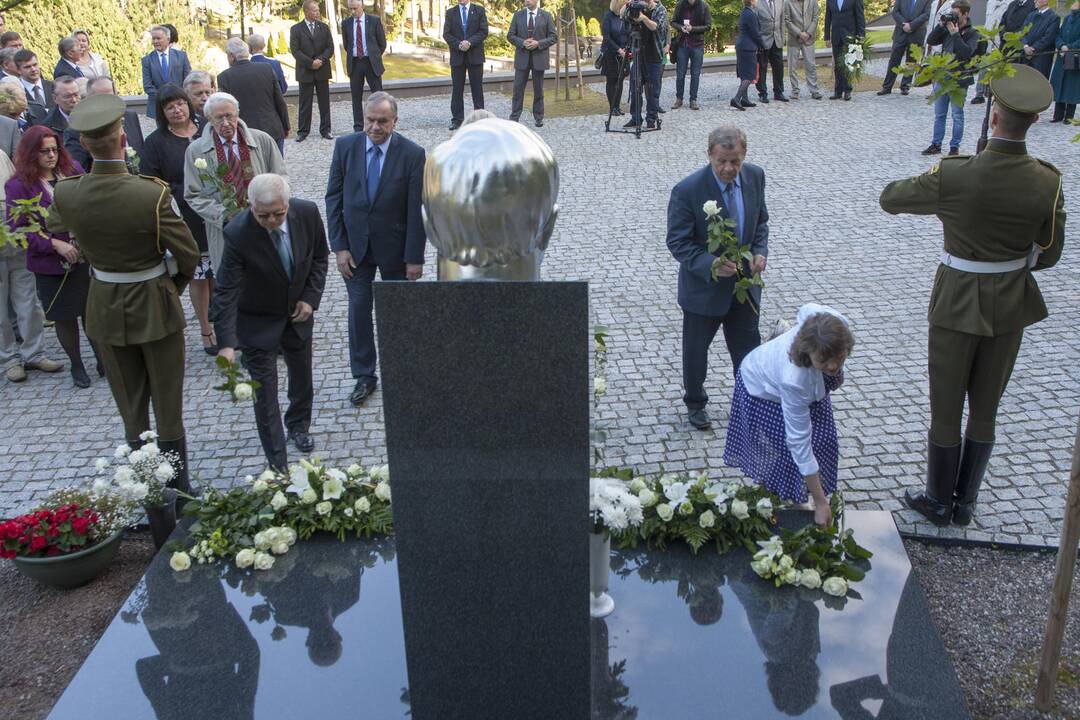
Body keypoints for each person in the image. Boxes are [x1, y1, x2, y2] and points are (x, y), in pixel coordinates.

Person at [879, 64, 1065, 527]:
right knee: (986, 407)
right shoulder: (1048, 180)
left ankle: (938, 500)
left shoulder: (956, 175)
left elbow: (891, 198)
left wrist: (938, 179)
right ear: (1035, 121)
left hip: (958, 300)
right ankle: (965, 504)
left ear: (993, 115)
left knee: (946, 405)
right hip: (1011, 303)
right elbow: (1049, 254)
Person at [48, 92, 200, 495]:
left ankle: (147, 491)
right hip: (155, 304)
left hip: (104, 306)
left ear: (83, 143)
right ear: (121, 138)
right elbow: (187, 255)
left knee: (131, 409)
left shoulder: (67, 192)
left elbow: (55, 227)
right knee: (168, 405)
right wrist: (170, 287)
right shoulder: (150, 193)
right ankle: (177, 493)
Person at [213, 174, 328, 470]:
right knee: (264, 394)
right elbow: (226, 289)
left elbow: (318, 258)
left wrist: (310, 298)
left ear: (288, 204)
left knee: (301, 375)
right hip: (258, 319)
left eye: (279, 213)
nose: (272, 221)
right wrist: (226, 343)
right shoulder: (237, 233)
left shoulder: (307, 213)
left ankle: (299, 425)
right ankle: (278, 465)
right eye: (263, 215)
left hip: (297, 314)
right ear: (250, 207)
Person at [324, 92, 425, 407]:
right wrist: (339, 247)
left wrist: (414, 258)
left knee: (397, 312)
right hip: (355, 249)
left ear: (395, 121)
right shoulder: (345, 147)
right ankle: (364, 375)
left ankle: (402, 371)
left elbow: (415, 209)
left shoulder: (412, 154)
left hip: (395, 249)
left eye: (383, 121)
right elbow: (333, 199)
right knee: (359, 312)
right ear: (363, 117)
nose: (375, 127)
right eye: (370, 120)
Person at [666, 125, 768, 430]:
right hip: (703, 291)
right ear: (710, 154)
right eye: (722, 161)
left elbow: (761, 222)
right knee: (696, 352)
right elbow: (678, 241)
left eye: (735, 161)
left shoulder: (755, 177)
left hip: (744, 287)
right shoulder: (687, 191)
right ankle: (695, 402)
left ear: (744, 155)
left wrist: (760, 252)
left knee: (748, 350)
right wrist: (711, 264)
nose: (729, 168)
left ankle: (750, 403)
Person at [725, 304, 853, 527]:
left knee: (825, 440)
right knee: (785, 451)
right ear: (808, 353)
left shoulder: (833, 322)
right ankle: (788, 498)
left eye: (839, 357)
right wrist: (821, 503)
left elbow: (806, 308)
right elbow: (799, 443)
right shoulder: (794, 379)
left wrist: (830, 370)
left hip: (806, 385)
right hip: (763, 391)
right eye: (824, 361)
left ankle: (802, 490)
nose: (833, 366)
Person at [6, 125, 96, 387]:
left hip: (83, 255)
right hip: (49, 263)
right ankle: (77, 365)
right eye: (44, 151)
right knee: (65, 315)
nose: (51, 156)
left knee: (91, 312)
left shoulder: (72, 171)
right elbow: (19, 230)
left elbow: (89, 204)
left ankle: (103, 358)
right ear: (31, 153)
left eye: (54, 150)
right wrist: (54, 244)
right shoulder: (18, 186)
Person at [141, 84, 216, 356]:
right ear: (162, 112)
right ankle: (206, 328)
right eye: (169, 107)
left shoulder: (207, 130)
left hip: (215, 210)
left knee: (218, 270)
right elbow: (149, 181)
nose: (177, 109)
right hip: (183, 215)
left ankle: (225, 323)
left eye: (180, 103)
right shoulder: (156, 142)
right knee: (199, 275)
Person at [183, 92, 287, 273]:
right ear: (209, 118)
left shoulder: (262, 140)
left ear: (237, 114)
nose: (225, 123)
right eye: (219, 118)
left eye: (229, 116)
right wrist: (224, 215)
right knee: (234, 281)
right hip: (226, 230)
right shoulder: (196, 150)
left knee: (270, 274)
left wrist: (269, 208)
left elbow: (281, 178)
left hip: (264, 223)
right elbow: (193, 194)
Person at [0, 143, 64, 383]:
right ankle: (9, 359)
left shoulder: (0, 156)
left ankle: (34, 353)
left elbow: (16, 186)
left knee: (28, 301)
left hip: (16, 237)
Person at [920, 0, 982, 156]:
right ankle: (936, 144)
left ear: (965, 14)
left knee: (957, 115)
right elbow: (931, 40)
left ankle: (954, 147)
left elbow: (967, 52)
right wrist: (941, 25)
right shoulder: (947, 28)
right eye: (952, 13)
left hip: (959, 78)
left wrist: (955, 35)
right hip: (943, 76)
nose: (953, 16)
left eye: (956, 14)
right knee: (939, 114)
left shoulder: (973, 33)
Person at [217, 37, 290, 156]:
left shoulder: (224, 77)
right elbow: (279, 100)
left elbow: (226, 109)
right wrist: (285, 126)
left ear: (231, 56)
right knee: (276, 169)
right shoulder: (266, 68)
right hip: (273, 128)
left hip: (245, 133)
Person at [63, 75, 144, 173]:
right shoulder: (76, 131)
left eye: (111, 96)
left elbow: (140, 152)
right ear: (89, 100)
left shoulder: (130, 116)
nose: (108, 103)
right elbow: (78, 172)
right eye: (102, 98)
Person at [290, 0, 334, 141]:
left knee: (324, 102)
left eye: (317, 10)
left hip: (322, 69)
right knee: (305, 103)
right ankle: (303, 131)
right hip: (305, 71)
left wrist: (320, 60)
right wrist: (310, 63)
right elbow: (295, 51)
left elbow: (330, 47)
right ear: (307, 11)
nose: (317, 12)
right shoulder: (296, 29)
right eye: (314, 10)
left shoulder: (324, 27)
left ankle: (326, 130)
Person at [508, 0, 557, 127]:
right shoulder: (518, 15)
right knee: (518, 89)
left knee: (538, 89)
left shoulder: (546, 16)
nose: (527, 1)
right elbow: (510, 35)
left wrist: (538, 43)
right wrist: (522, 42)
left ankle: (539, 117)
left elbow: (553, 37)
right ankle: (514, 117)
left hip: (539, 58)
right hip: (522, 57)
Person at [342, 0, 387, 133]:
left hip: (371, 62)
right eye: (350, 9)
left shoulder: (374, 21)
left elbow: (382, 43)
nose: (353, 11)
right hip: (355, 63)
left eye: (355, 8)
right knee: (356, 97)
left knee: (378, 95)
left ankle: (383, 122)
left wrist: (374, 56)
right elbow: (347, 45)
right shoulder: (346, 24)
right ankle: (358, 127)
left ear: (362, 6)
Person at [444, 0, 489, 131]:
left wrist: (469, 42)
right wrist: (459, 44)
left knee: (477, 89)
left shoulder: (479, 10)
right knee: (457, 90)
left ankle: (479, 119)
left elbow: (483, 31)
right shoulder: (450, 13)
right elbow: (446, 34)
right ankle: (457, 120)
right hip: (457, 56)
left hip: (475, 55)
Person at [621, 0, 664, 128]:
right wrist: (628, 5)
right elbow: (622, 15)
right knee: (635, 88)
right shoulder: (636, 6)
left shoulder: (660, 9)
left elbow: (657, 27)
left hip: (654, 55)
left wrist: (644, 18)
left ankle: (651, 119)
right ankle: (636, 118)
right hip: (638, 54)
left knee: (652, 90)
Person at [878, 0, 932, 95]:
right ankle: (887, 86)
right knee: (894, 60)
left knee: (911, 61)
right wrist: (904, 24)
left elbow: (926, 14)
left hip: (917, 32)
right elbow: (895, 12)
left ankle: (905, 86)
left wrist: (912, 25)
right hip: (900, 32)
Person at [141, 25, 191, 119]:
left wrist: (177, 99)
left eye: (158, 38)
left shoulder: (181, 56)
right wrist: (165, 99)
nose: (155, 41)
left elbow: (188, 81)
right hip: (158, 107)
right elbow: (147, 86)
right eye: (153, 39)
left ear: (168, 39)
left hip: (180, 106)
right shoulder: (147, 60)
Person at [670, 0, 712, 110]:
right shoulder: (680, 4)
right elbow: (673, 22)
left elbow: (708, 26)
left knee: (695, 74)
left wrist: (693, 29)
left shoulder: (704, 6)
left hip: (697, 45)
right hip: (682, 44)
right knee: (680, 74)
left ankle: (693, 100)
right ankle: (679, 98)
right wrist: (681, 28)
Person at [824, 0, 865, 100]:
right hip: (836, 37)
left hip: (850, 36)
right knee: (838, 65)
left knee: (848, 65)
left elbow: (860, 17)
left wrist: (861, 35)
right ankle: (838, 91)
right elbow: (828, 18)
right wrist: (827, 37)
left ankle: (847, 90)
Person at [732, 0, 766, 110]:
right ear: (751, 1)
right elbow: (755, 33)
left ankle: (745, 99)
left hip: (742, 46)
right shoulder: (751, 14)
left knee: (743, 74)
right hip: (748, 48)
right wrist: (763, 45)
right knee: (749, 75)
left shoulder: (744, 12)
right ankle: (737, 98)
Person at [783, 0, 821, 99]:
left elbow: (815, 17)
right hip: (794, 39)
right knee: (792, 67)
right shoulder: (787, 2)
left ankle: (814, 90)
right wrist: (799, 33)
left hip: (809, 38)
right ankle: (795, 91)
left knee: (811, 65)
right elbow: (787, 20)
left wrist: (808, 33)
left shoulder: (812, 1)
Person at [1049, 0, 1080, 124]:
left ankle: (1069, 116)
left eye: (1074, 2)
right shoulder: (1067, 18)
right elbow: (1059, 35)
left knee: (1071, 86)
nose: (1072, 4)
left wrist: (1070, 48)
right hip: (1062, 55)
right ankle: (1058, 115)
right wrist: (1061, 45)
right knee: (1059, 85)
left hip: (1074, 55)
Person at [754, 0, 787, 102]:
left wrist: (782, 38)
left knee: (779, 67)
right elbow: (755, 23)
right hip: (763, 41)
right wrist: (757, 41)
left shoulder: (780, 2)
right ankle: (762, 93)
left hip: (777, 40)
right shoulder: (757, 3)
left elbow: (782, 21)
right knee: (762, 67)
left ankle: (779, 92)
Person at [601, 0, 630, 115]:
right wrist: (618, 49)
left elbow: (628, 33)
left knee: (620, 80)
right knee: (612, 80)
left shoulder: (625, 16)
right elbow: (606, 37)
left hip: (623, 53)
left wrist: (626, 49)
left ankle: (617, 106)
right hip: (611, 53)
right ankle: (612, 107)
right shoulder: (608, 16)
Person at [1023, 0, 1062, 78]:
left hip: (1041, 58)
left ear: (1045, 1)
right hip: (1025, 55)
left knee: (1038, 83)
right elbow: (1023, 32)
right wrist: (1026, 46)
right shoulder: (1030, 15)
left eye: (1037, 0)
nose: (1034, 1)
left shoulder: (1054, 18)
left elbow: (1049, 38)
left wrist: (1033, 49)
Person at [14, 49, 53, 126]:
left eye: (35, 65)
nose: (33, 69)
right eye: (27, 67)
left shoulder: (53, 86)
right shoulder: (16, 92)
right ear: (18, 70)